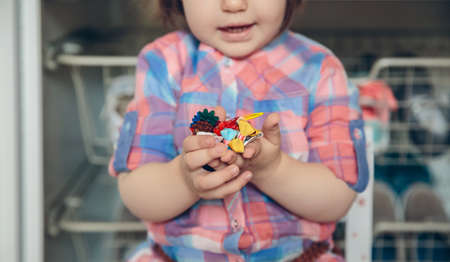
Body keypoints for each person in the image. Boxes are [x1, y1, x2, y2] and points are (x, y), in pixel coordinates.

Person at [109, 0, 369, 261]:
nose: (234, 4)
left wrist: (272, 170)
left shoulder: (320, 69)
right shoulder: (162, 63)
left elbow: (338, 197)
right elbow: (137, 193)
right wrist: (185, 179)